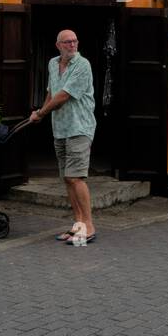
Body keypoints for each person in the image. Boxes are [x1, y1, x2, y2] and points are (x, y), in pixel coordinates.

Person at [30, 29, 97, 246]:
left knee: (76, 177)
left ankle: (88, 227)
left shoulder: (82, 65)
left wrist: (41, 113)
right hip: (60, 128)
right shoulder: (52, 63)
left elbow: (64, 96)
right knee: (68, 178)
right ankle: (78, 224)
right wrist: (39, 112)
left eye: (75, 41)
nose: (72, 45)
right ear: (58, 45)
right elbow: (52, 92)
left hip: (80, 127)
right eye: (67, 42)